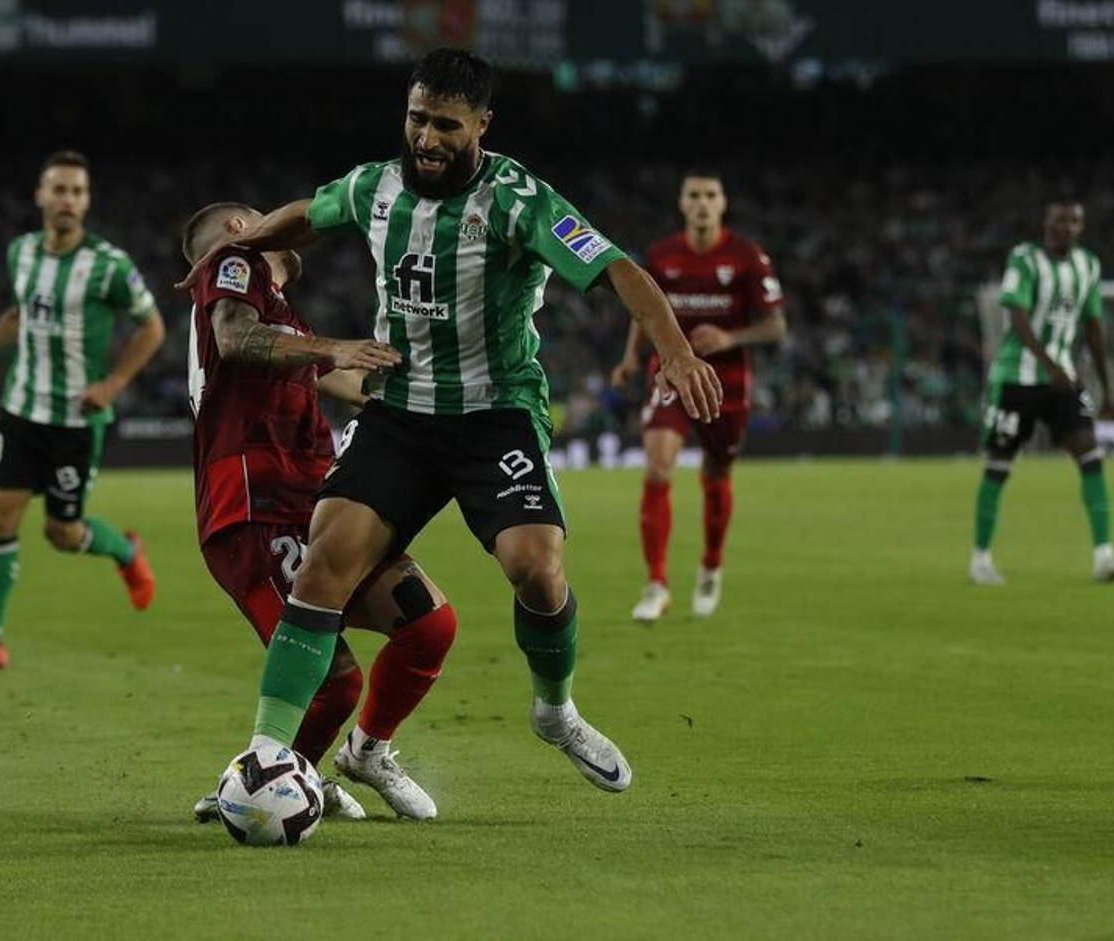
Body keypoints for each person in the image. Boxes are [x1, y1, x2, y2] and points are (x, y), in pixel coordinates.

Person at [182, 48, 722, 794]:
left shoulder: (518, 200)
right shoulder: (375, 186)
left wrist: (676, 351)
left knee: (536, 566)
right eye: (416, 119)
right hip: (400, 413)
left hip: (493, 415)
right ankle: (269, 754)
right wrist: (238, 247)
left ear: (481, 125)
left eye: (444, 124)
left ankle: (555, 710)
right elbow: (307, 217)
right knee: (323, 564)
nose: (426, 138)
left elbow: (617, 269)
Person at [182, 202, 459, 820]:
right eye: (265, 216)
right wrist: (336, 347)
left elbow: (339, 381)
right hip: (256, 506)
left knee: (428, 627)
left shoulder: (281, 319)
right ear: (239, 228)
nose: (288, 227)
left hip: (314, 500)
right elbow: (236, 340)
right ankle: (269, 781)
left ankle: (364, 753)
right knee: (333, 682)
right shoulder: (236, 262)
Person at [0, 151, 164, 671]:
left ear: (87, 201)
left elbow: (152, 328)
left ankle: (126, 552)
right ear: (40, 196)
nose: (68, 200)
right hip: (20, 409)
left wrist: (113, 383)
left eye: (77, 192)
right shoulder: (20, 252)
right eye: (59, 190)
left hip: (75, 422)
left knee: (62, 534)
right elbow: (20, 315)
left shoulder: (110, 265)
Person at [610, 171, 785, 621]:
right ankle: (656, 584)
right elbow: (642, 307)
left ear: (723, 203)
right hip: (669, 371)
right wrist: (631, 357)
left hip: (727, 380)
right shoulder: (662, 255)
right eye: (694, 196)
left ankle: (710, 565)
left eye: (711, 195)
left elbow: (775, 325)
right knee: (658, 465)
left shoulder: (746, 256)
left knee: (717, 472)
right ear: (682, 204)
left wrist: (729, 338)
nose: (703, 203)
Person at [970, 199, 1114, 585]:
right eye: (1062, 220)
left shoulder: (1089, 266)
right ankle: (980, 559)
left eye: (1076, 221)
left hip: (1066, 381)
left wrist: (1105, 388)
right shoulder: (1024, 260)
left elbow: (1094, 327)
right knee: (999, 464)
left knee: (1091, 453)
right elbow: (1016, 316)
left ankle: (1104, 557)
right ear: (1046, 223)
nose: (1069, 227)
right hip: (1018, 378)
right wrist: (1048, 366)